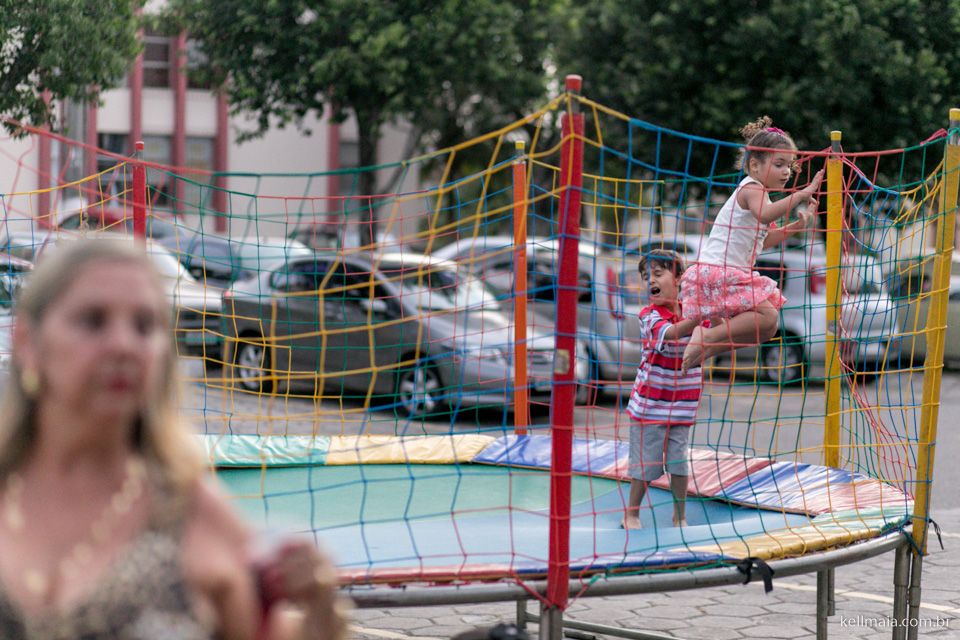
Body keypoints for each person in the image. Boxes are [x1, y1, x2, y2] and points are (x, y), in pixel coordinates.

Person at [0, 239, 351, 639]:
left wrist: (322, 611)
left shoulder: (190, 513)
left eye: (144, 325)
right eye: (93, 320)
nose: (124, 345)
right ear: (27, 341)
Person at [680, 116, 823, 374]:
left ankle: (707, 347)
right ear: (755, 165)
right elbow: (766, 216)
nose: (786, 172)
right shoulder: (751, 189)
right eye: (779, 164)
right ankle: (706, 337)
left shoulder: (762, 195)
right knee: (768, 317)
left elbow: (762, 240)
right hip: (718, 272)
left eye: (789, 166)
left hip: (725, 274)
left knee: (766, 330)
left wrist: (796, 227)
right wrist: (801, 195)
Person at [623, 249, 704, 530]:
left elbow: (717, 330)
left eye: (658, 274)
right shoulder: (649, 316)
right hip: (649, 407)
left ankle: (679, 515)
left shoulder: (693, 311)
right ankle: (631, 514)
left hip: (682, 406)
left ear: (679, 278)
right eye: (647, 277)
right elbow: (672, 334)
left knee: (679, 464)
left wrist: (717, 306)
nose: (651, 281)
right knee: (646, 465)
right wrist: (704, 313)